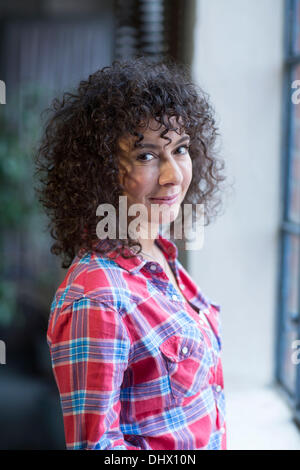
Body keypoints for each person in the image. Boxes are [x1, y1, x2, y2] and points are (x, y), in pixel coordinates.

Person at [34, 56, 227, 450]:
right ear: (100, 170)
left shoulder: (160, 253)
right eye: (147, 156)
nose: (174, 175)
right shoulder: (97, 296)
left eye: (181, 149)